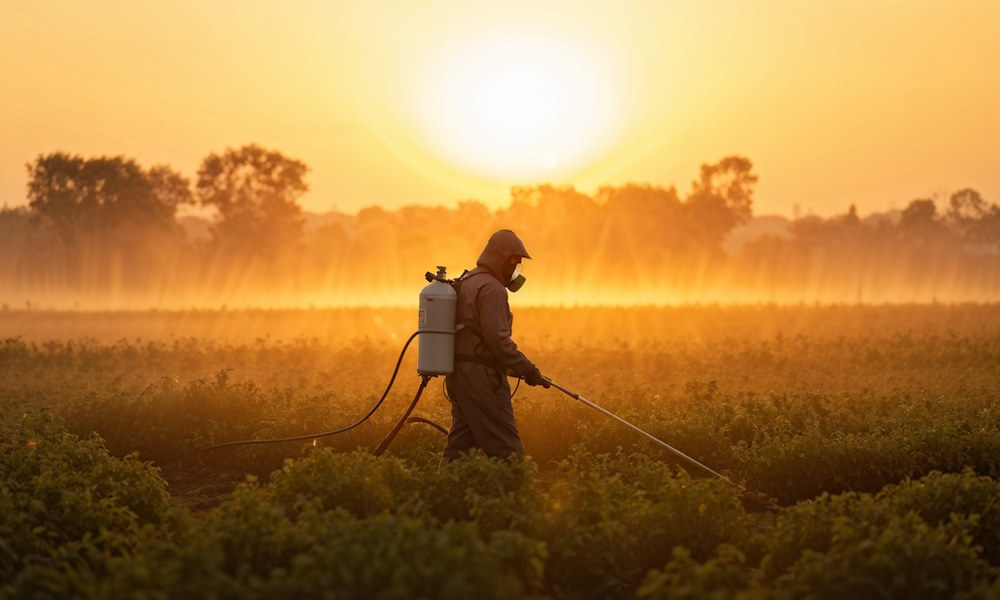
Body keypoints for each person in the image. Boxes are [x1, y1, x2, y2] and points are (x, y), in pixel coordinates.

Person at [441, 229, 550, 463]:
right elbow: (498, 341)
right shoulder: (492, 289)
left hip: (459, 377)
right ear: (498, 259)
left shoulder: (468, 281)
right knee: (507, 449)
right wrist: (528, 369)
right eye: (512, 263)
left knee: (460, 446)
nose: (514, 271)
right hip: (483, 380)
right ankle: (513, 495)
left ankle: (443, 494)